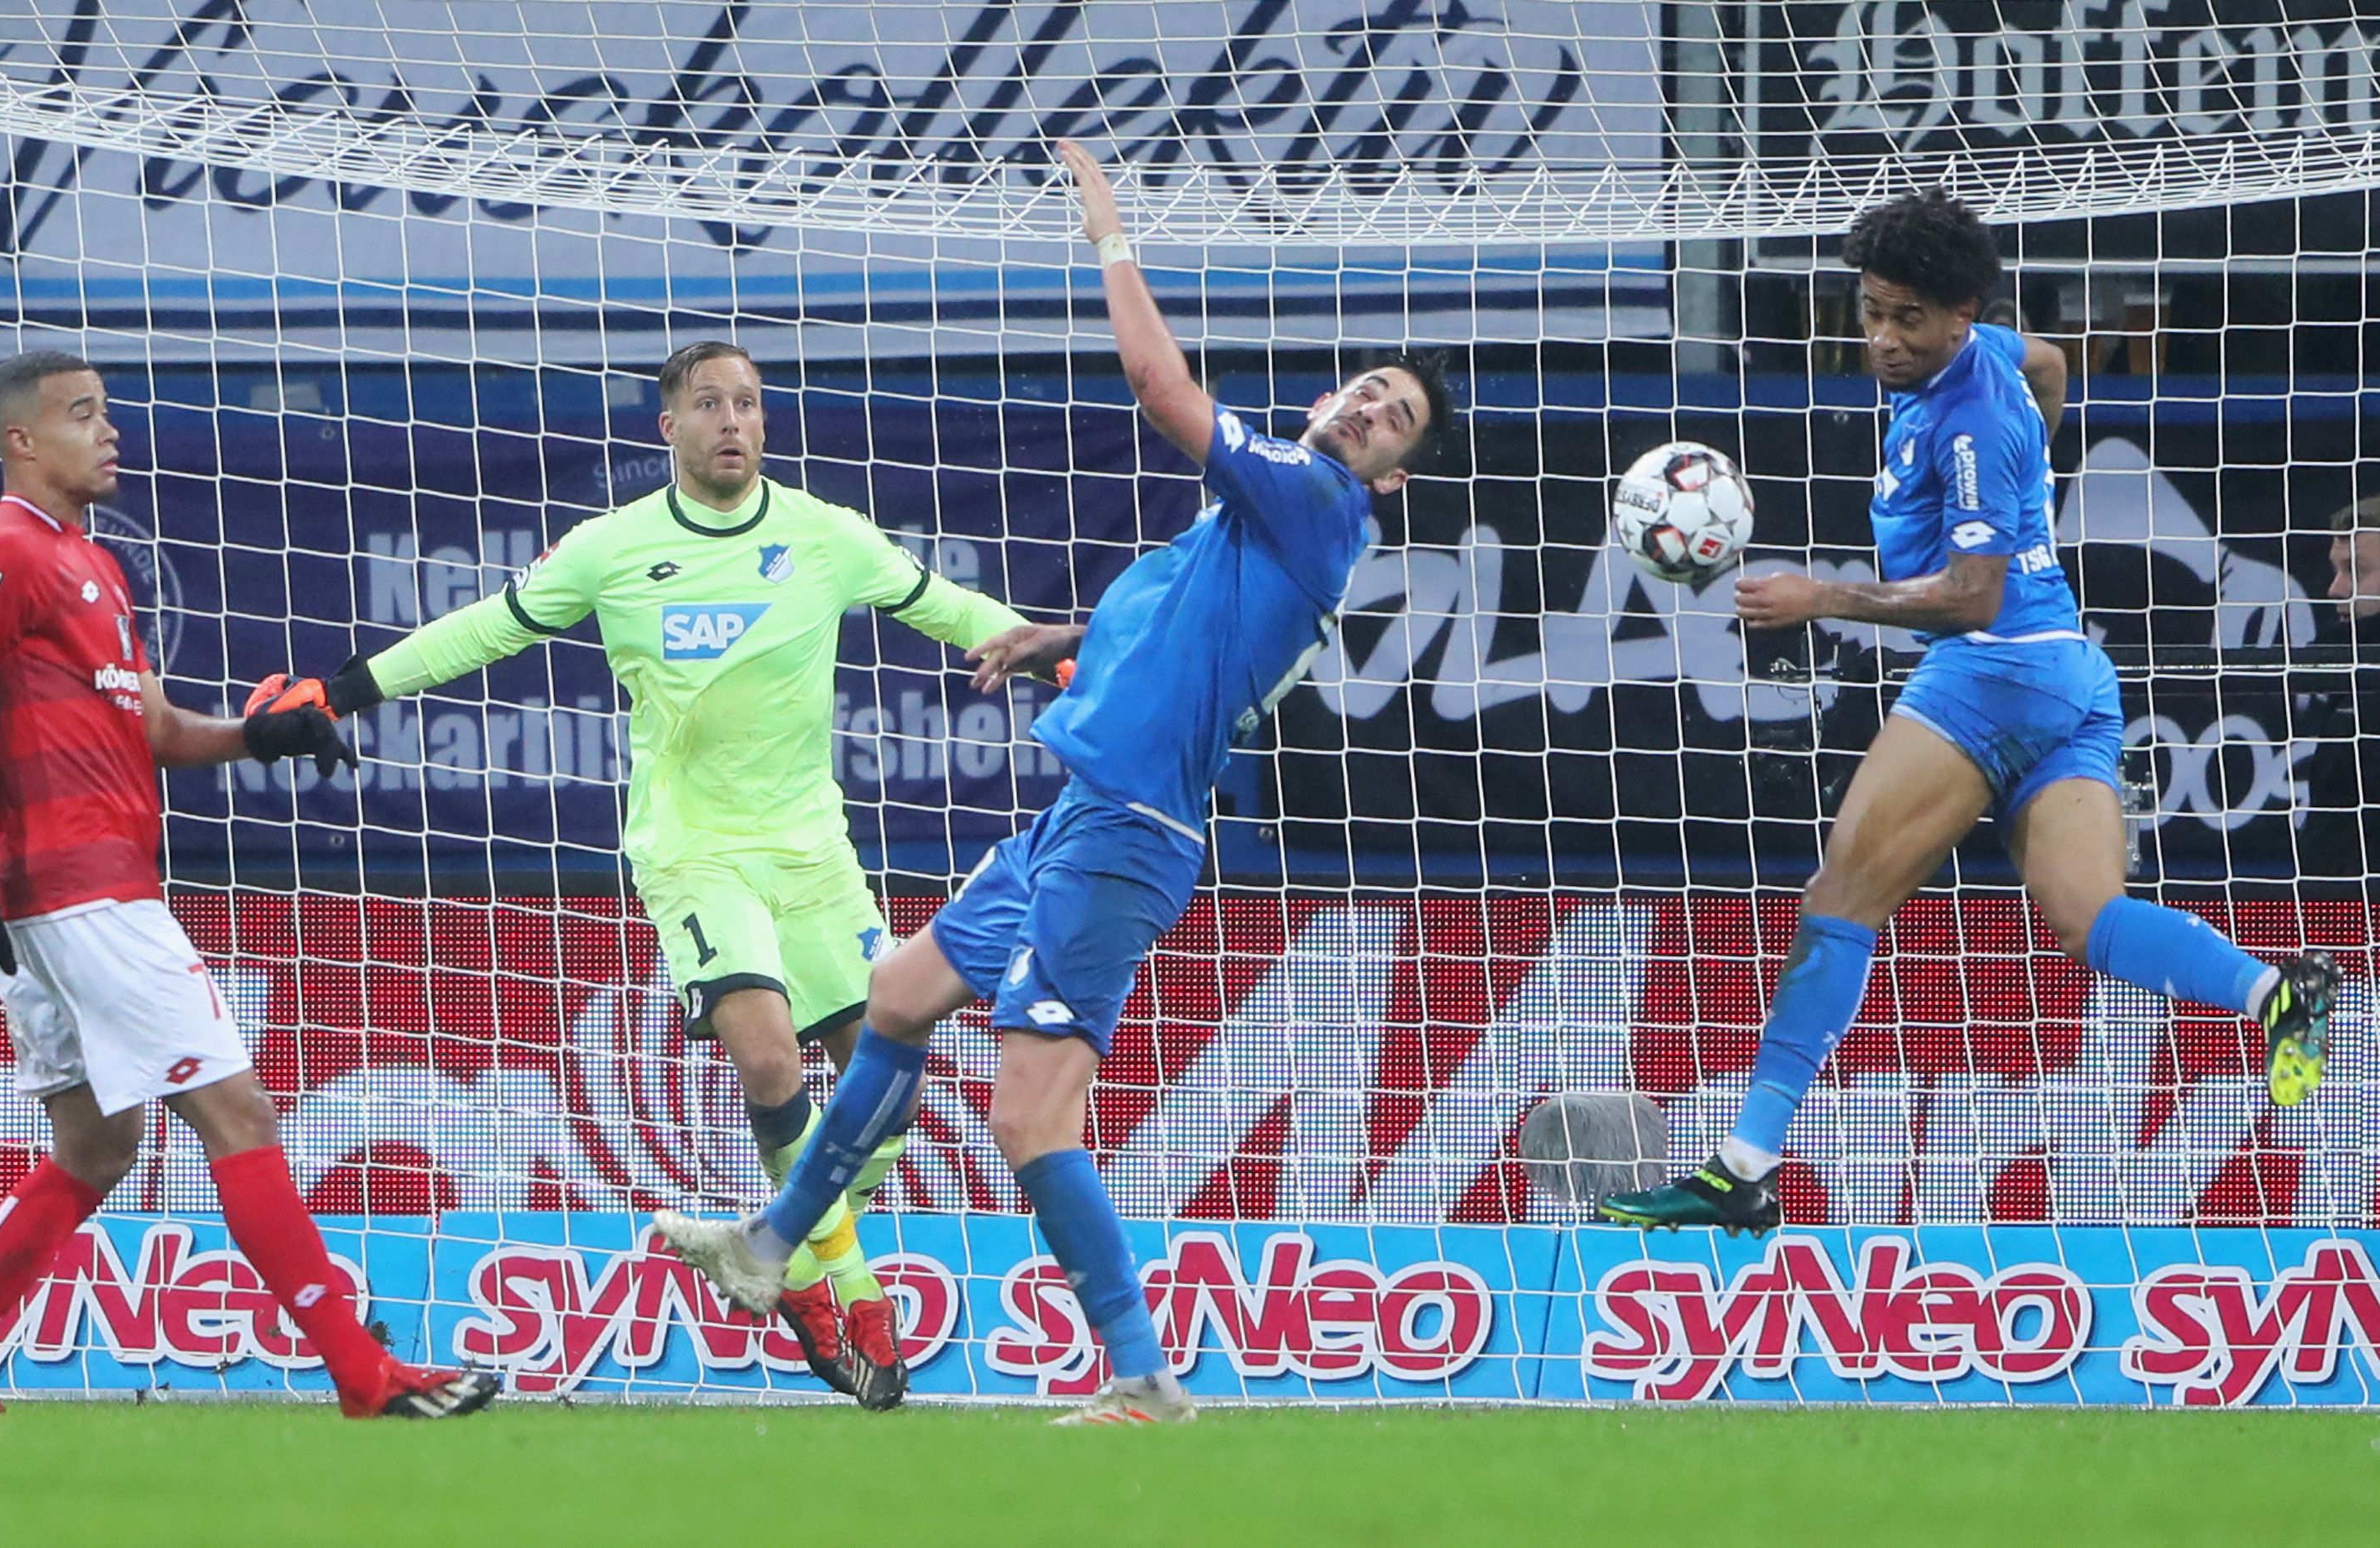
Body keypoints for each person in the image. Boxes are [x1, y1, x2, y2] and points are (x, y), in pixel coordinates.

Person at [652, 139, 1453, 1426]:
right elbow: (1178, 644)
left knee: (1031, 1124)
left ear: (1392, 475)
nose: (1365, 410)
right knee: (900, 993)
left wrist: (1106, 226)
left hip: (1123, 839)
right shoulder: (1249, 527)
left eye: (1392, 418)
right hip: (1076, 817)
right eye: (1364, 388)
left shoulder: (1313, 501)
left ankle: (1141, 1373)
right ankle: (767, 1248)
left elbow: (1155, 378)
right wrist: (1056, 642)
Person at [273, 341, 1032, 1409]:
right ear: (666, 426)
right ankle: (835, 1286)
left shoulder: (823, 536)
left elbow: (953, 610)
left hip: (812, 847)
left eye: (751, 404)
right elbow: (485, 631)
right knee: (770, 1063)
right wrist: (344, 691)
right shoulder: (613, 548)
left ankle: (781, 1241)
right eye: (710, 403)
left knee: (886, 1085)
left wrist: (1060, 651)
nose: (734, 421)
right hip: (693, 846)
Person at [1601, 190, 2337, 1235]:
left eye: (1907, 319)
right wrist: (2037, 458)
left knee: (1841, 899)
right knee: (2087, 919)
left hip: (1989, 668)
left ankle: (1739, 1169)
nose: (1884, 339)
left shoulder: (1970, 423)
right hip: (2073, 674)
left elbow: (1970, 596)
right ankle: (2275, 992)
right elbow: (2052, 366)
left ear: (1956, 315)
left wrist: (1821, 595)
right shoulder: (1990, 352)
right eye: (1871, 312)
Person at [0, 349, 493, 1420]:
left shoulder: (95, 564)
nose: (108, 431)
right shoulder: (2, 555)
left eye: (107, 412)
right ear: (22, 441)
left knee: (99, 1144)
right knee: (239, 1110)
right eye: (84, 415)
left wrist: (261, 734)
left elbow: (160, 731)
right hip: (82, 893)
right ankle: (365, 1374)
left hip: (72, 894)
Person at [2294, 494, 2380, 883]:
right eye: (2336, 570)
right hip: (2341, 921)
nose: (2335, 588)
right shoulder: (2344, 675)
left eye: (2356, 571)